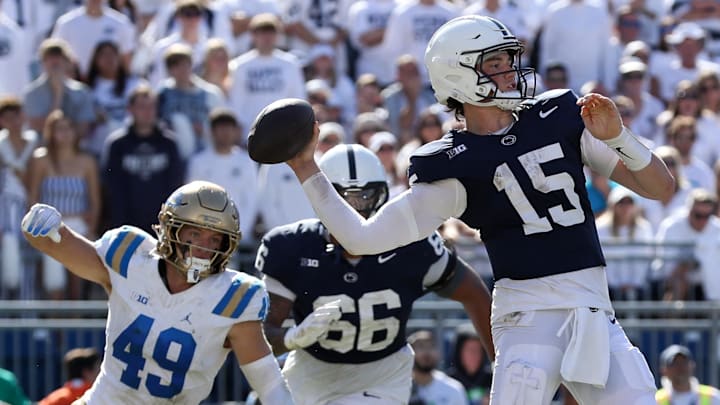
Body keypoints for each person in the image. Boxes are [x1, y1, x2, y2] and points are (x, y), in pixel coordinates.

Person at [284, 15, 675, 404]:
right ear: (458, 73)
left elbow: (661, 187)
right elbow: (361, 238)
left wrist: (619, 136)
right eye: (494, 64)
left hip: (593, 310)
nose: (509, 73)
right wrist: (306, 168)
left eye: (508, 61)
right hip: (528, 316)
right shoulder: (453, 163)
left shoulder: (557, 118)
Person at [258, 144, 493, 404]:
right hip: (311, 372)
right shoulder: (291, 246)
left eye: (365, 197)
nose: (354, 210)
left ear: (382, 195)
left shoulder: (411, 245)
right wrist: (292, 337)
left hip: (383, 375)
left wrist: (501, 364)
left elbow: (475, 295)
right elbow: (261, 337)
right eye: (343, 199)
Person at [21, 180, 294, 404]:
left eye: (215, 238)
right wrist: (42, 229)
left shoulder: (232, 297)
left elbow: (268, 383)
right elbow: (59, 243)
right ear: (171, 229)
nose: (204, 247)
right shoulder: (132, 258)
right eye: (195, 234)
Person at [409, 330, 469, 405]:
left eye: (431, 346)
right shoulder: (400, 387)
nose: (427, 352)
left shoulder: (453, 389)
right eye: (420, 346)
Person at [655, 344, 720, 405]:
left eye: (684, 363)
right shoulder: (657, 400)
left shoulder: (712, 397)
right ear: (664, 370)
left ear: (693, 365)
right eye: (675, 364)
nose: (680, 367)